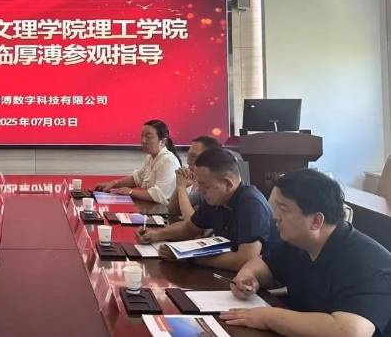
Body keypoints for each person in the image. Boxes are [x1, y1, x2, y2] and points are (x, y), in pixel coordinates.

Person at [221, 169, 391, 337]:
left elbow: (350, 331)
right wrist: (248, 276)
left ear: (316, 221)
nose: (275, 216)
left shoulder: (368, 264)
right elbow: (265, 263)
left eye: (283, 209)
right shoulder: (299, 243)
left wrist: (269, 318)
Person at [135, 147, 280, 272]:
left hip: (261, 280)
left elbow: (245, 259)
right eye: (198, 184)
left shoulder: (250, 203)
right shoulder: (216, 199)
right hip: (232, 273)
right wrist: (156, 234)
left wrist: (190, 258)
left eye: (205, 186)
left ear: (228, 184)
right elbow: (188, 228)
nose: (200, 191)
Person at [94, 120, 181, 205]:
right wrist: (114, 184)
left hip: (166, 211)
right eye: (142, 136)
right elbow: (138, 178)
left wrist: (131, 192)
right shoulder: (150, 157)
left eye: (149, 137)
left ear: (162, 141)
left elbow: (159, 194)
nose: (143, 141)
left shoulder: (167, 161)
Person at [167, 136, 222, 221]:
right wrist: (180, 185)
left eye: (193, 156)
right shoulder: (200, 183)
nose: (188, 161)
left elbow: (192, 222)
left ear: (210, 158)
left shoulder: (217, 185)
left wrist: (181, 188)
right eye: (188, 155)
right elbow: (173, 210)